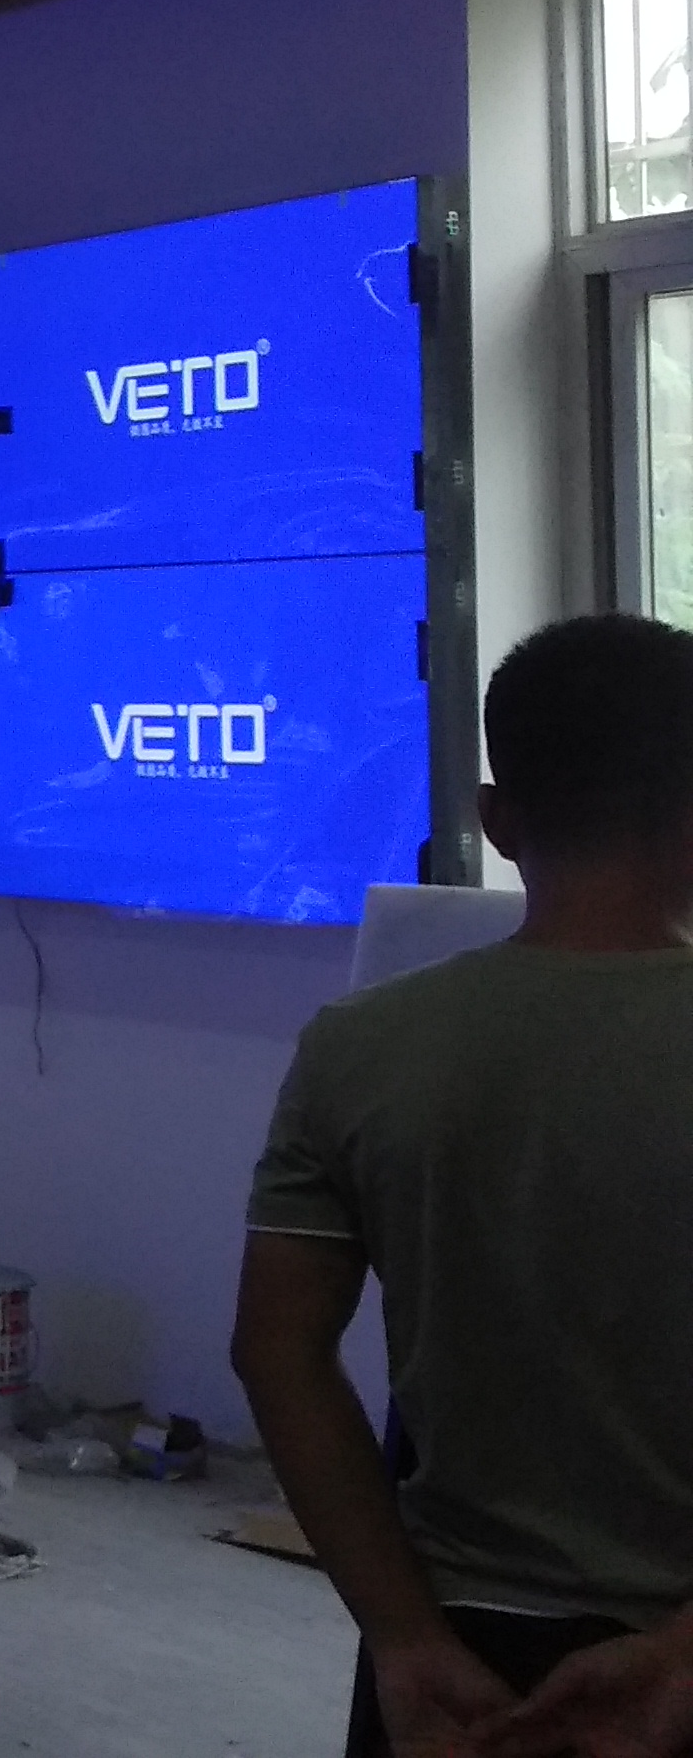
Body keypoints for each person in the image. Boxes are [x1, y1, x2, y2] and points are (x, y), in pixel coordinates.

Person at [234, 613, 693, 1758]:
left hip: (456, 1661)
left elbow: (274, 1352)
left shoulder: (355, 1048)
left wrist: (400, 1637)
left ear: (495, 821)